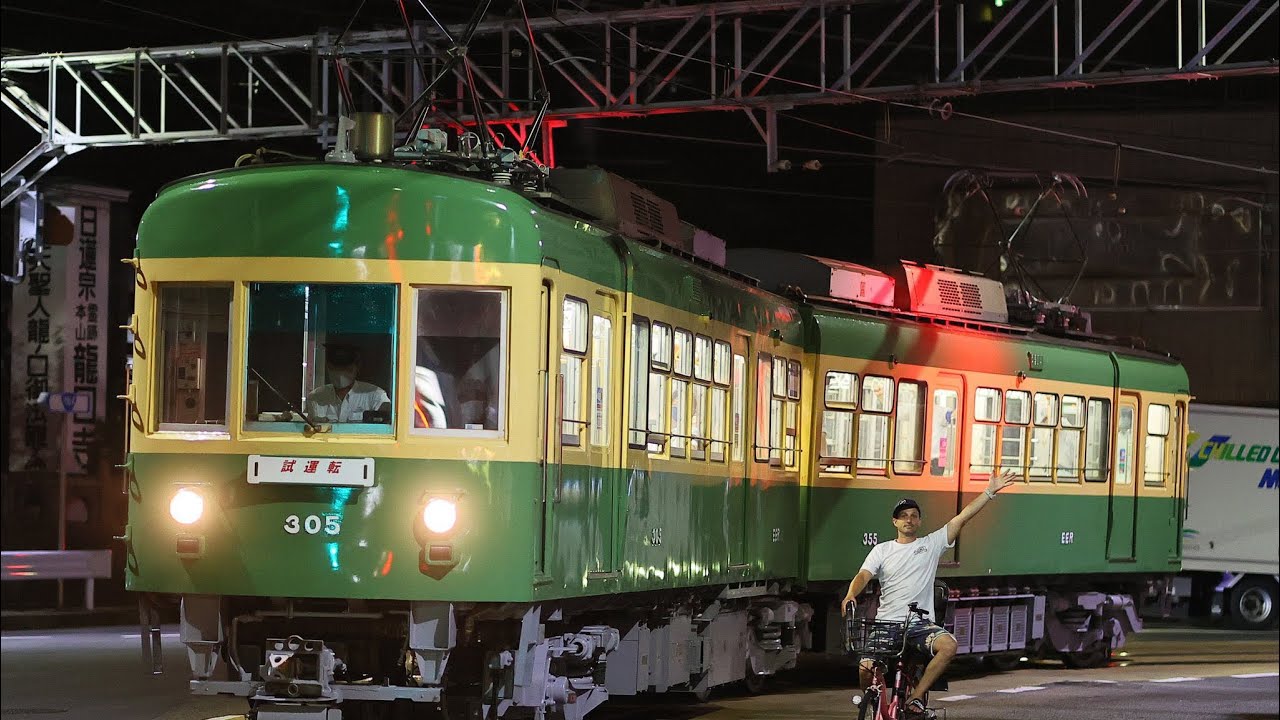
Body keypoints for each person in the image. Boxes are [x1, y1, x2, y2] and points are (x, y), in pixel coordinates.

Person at [842, 469, 1018, 718]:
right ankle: (874, 705)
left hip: (919, 625)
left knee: (949, 646)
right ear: (895, 522)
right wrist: (851, 594)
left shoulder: (931, 544)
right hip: (887, 623)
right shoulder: (882, 550)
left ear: (919, 521)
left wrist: (989, 491)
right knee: (865, 668)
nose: (909, 520)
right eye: (903, 516)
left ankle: (915, 697)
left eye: (914, 516)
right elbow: (863, 575)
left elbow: (961, 519)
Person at [304, 343, 390, 423]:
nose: (340, 374)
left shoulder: (375, 396)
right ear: (328, 368)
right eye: (335, 369)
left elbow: (387, 426)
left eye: (347, 369)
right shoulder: (315, 397)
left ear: (357, 367)